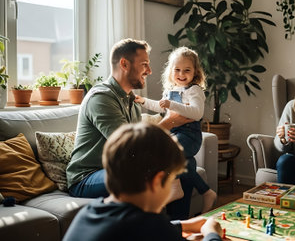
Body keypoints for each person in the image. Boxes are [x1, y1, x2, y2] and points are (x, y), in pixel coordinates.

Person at [66, 38, 191, 199]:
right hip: (86, 177)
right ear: (124, 64)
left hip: (120, 168)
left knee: (183, 164)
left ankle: (178, 223)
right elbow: (128, 146)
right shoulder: (101, 98)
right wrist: (168, 123)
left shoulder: (131, 100)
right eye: (144, 64)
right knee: (139, 174)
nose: (150, 71)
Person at [63, 123, 222, 241]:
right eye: (171, 181)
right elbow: (150, 229)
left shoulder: (89, 212)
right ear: (157, 181)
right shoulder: (151, 226)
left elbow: (134, 229)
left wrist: (184, 225)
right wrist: (212, 233)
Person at [136, 47, 216, 213]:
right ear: (170, 71)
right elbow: (160, 106)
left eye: (187, 70)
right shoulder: (171, 90)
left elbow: (196, 112)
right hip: (175, 133)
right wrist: (143, 101)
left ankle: (178, 187)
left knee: (169, 153)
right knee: (186, 163)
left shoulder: (194, 90)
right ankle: (206, 192)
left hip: (190, 135)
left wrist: (172, 105)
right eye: (177, 70)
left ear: (195, 72)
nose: (182, 74)